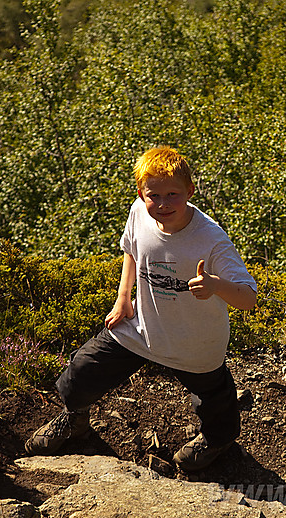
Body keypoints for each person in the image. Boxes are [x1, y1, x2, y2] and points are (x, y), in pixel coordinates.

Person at [25, 146, 257, 472]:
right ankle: (75, 420)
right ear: (141, 193)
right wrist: (123, 296)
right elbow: (131, 251)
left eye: (173, 194)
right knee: (82, 369)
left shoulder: (210, 239)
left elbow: (248, 297)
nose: (163, 204)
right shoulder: (139, 212)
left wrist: (216, 285)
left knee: (214, 401)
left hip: (196, 342)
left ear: (190, 191)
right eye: (154, 195)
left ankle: (217, 441)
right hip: (142, 326)